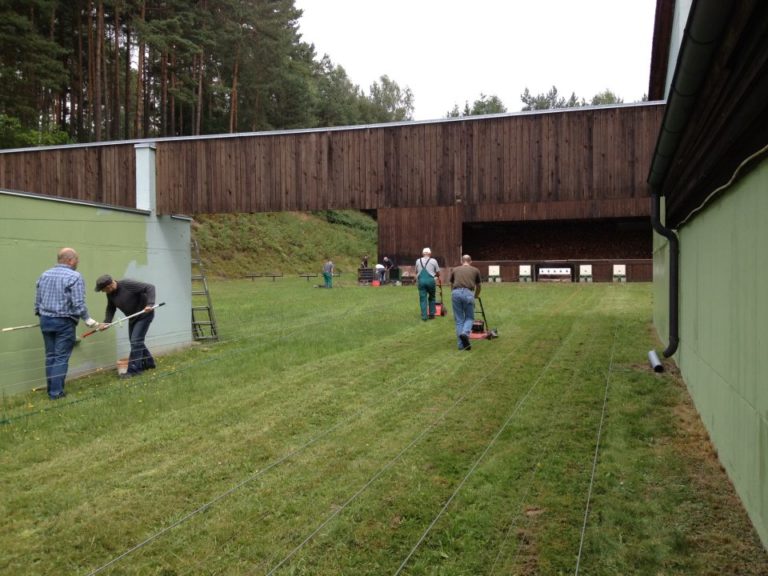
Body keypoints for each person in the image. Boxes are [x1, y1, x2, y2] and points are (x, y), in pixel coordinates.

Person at [34, 247, 98, 399]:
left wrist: (40, 314)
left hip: (45, 320)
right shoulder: (74, 276)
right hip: (64, 322)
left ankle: (51, 390)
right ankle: (56, 393)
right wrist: (87, 319)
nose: (77, 263)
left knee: (50, 356)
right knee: (61, 357)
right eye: (77, 260)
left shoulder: (45, 274)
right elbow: (78, 303)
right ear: (70, 260)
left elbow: (38, 299)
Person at [95, 274, 157, 377]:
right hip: (133, 318)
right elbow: (111, 308)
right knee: (135, 341)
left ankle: (134, 370)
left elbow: (150, 287)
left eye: (103, 290)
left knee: (135, 341)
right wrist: (107, 322)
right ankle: (149, 363)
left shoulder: (127, 284)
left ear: (109, 286)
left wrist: (150, 304)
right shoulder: (110, 294)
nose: (103, 292)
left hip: (144, 315)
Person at [449, 254, 482, 350]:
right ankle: (465, 333)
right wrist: (475, 295)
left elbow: (451, 283)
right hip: (468, 293)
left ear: (461, 261)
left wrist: (454, 293)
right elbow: (479, 286)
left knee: (459, 320)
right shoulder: (475, 270)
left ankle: (461, 345)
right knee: (469, 318)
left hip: (455, 293)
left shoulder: (455, 270)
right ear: (470, 261)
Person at [415, 248, 441, 321]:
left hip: (421, 281)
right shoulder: (433, 261)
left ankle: (424, 316)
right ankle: (432, 315)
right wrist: (436, 276)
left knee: (423, 298)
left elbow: (416, 272)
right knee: (432, 297)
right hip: (430, 280)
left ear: (423, 253)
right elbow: (438, 272)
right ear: (430, 254)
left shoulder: (418, 261)